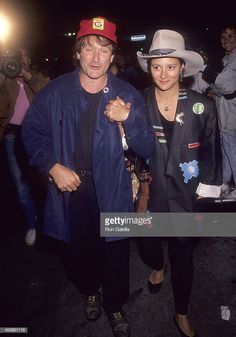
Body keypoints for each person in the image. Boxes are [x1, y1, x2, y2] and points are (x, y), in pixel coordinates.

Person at [21, 16, 155, 337]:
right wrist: (52, 165)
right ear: (78, 52)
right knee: (78, 250)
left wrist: (130, 119)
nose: (96, 58)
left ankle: (116, 305)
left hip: (115, 190)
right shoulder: (55, 91)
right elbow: (32, 132)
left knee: (115, 253)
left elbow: (147, 145)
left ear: (113, 56)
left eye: (104, 49)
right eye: (89, 48)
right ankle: (90, 290)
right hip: (72, 189)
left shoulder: (126, 93)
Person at [0, 47, 49, 246]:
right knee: (21, 186)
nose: (18, 60)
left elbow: (49, 95)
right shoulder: (6, 81)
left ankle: (49, 223)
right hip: (13, 135)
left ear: (28, 58)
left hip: (37, 136)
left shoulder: (36, 77)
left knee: (44, 181)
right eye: (14, 57)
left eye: (22, 55)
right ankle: (31, 224)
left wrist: (28, 76)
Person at [209, 25, 236, 198]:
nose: (226, 40)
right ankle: (226, 182)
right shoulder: (227, 59)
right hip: (225, 112)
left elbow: (224, 85)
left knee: (231, 150)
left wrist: (210, 79)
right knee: (226, 148)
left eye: (230, 36)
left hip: (231, 113)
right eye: (223, 37)